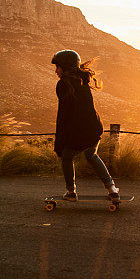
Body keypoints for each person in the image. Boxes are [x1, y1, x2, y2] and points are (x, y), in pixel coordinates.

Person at [51, 49, 119, 202]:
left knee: (67, 157)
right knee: (91, 155)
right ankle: (112, 189)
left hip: (78, 130)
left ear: (65, 67)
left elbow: (64, 114)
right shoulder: (83, 80)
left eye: (58, 67)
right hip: (93, 128)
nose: (56, 71)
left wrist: (60, 139)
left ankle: (70, 192)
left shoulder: (63, 84)